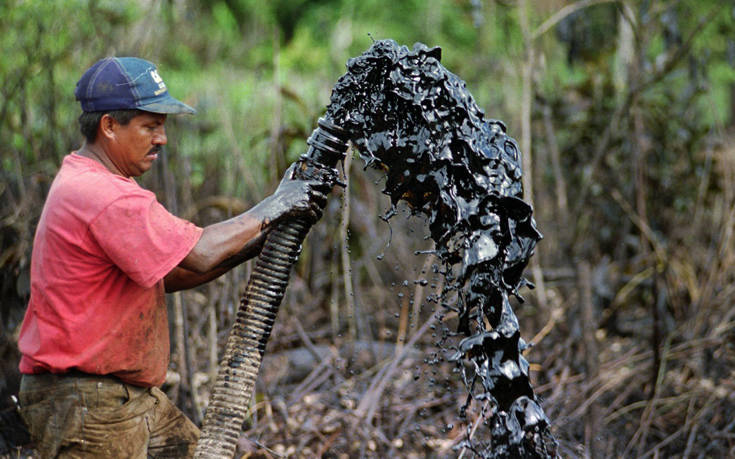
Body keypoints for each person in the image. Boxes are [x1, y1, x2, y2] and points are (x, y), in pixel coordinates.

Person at [15, 57, 329, 458]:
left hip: (123, 398)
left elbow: (169, 273)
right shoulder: (102, 194)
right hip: (88, 405)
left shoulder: (91, 182)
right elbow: (199, 253)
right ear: (109, 126)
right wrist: (276, 205)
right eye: (150, 126)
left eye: (162, 126)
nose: (162, 138)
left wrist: (255, 245)